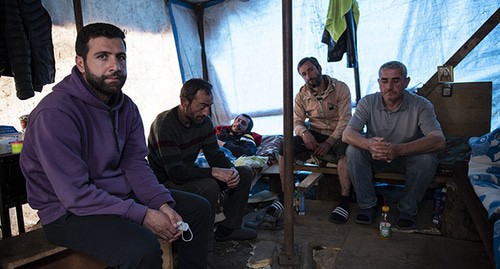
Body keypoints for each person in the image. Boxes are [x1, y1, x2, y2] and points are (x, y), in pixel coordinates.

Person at [19, 22, 213, 268]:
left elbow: (134, 164)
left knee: (198, 209)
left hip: (115, 195)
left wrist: (160, 203)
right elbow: (75, 195)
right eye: (102, 57)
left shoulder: (127, 107)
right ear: (81, 63)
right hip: (67, 212)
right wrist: (143, 215)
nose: (115, 66)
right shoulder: (55, 113)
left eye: (121, 57)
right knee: (141, 249)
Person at [246, 56, 353, 230]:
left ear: (319, 68)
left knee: (346, 153)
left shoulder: (340, 88)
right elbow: (297, 121)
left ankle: (344, 200)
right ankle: (285, 197)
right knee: (284, 147)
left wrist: (330, 142)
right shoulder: (301, 95)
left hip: (339, 133)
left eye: (310, 70)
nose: (308, 76)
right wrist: (304, 134)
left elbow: (345, 120)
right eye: (304, 74)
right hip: (315, 133)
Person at [147, 78, 257, 243]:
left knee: (244, 173)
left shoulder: (204, 122)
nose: (206, 112)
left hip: (188, 174)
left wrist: (231, 170)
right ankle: (203, 246)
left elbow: (214, 154)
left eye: (209, 106)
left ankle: (228, 229)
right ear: (184, 102)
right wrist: (213, 172)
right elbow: (175, 172)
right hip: (167, 182)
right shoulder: (164, 125)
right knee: (209, 186)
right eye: (202, 106)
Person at [342, 60, 446, 229]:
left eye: (396, 81)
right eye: (384, 81)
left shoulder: (421, 105)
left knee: (427, 159)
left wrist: (399, 149)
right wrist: (369, 144)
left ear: (407, 82)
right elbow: (347, 133)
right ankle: (368, 205)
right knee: (353, 150)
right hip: (376, 156)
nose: (389, 87)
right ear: (379, 83)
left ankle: (408, 209)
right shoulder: (368, 102)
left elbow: (439, 140)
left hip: (405, 157)